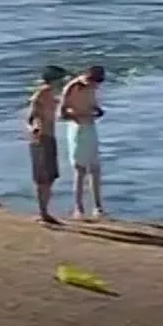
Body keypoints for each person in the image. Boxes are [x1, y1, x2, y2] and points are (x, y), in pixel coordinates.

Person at [60, 64, 107, 219]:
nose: (95, 86)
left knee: (95, 168)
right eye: (93, 82)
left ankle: (98, 207)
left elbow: (92, 103)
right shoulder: (73, 87)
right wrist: (78, 117)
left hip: (90, 127)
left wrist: (97, 110)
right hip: (78, 128)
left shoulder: (92, 88)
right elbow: (62, 113)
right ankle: (78, 207)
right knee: (80, 170)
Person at [25, 65, 67, 224]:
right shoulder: (41, 94)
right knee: (43, 178)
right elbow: (31, 117)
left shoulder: (51, 94)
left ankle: (45, 211)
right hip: (42, 138)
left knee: (50, 177)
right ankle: (43, 212)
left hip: (50, 136)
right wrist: (34, 127)